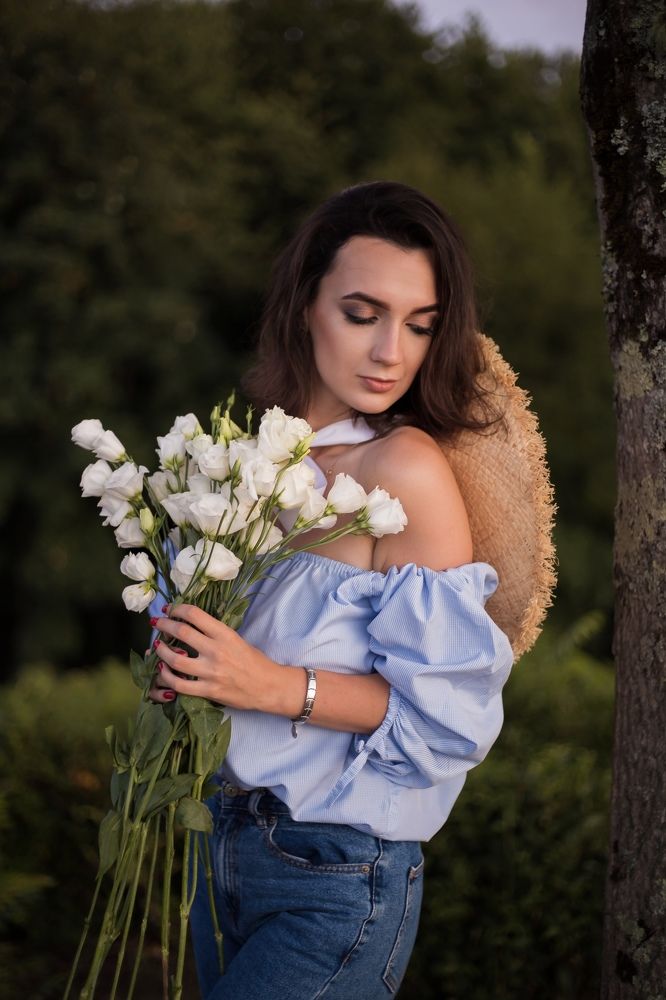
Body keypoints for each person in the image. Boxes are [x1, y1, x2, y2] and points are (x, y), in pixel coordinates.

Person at [149, 181, 517, 999]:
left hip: (335, 874)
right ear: (304, 305)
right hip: (216, 849)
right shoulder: (242, 468)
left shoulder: (404, 471)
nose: (391, 351)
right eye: (362, 314)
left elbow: (448, 712)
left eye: (419, 325)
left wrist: (270, 684)